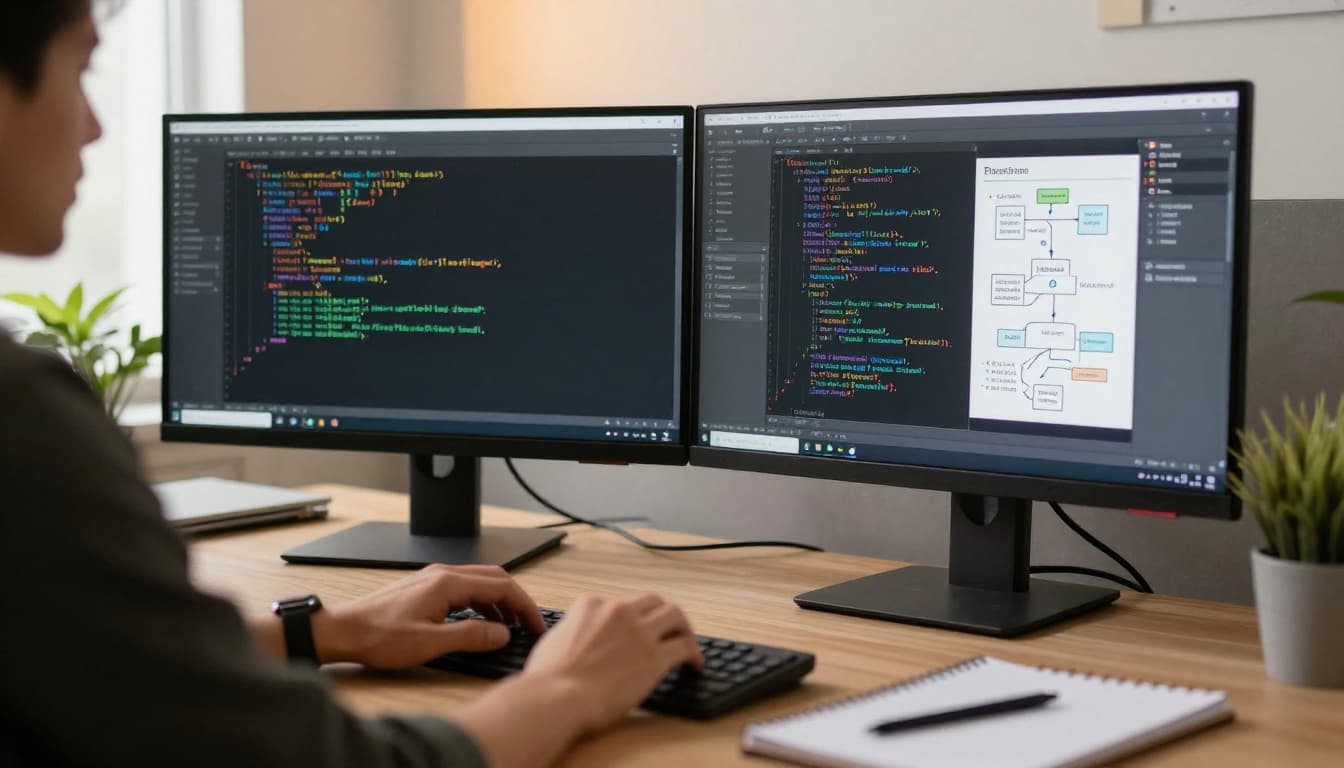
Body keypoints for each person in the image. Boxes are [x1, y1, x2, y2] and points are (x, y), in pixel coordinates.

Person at [0, 3, 703, 766]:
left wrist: (326, 630)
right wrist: (567, 686)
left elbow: (99, 667)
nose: (95, 126)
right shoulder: (21, 415)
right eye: (81, 67)